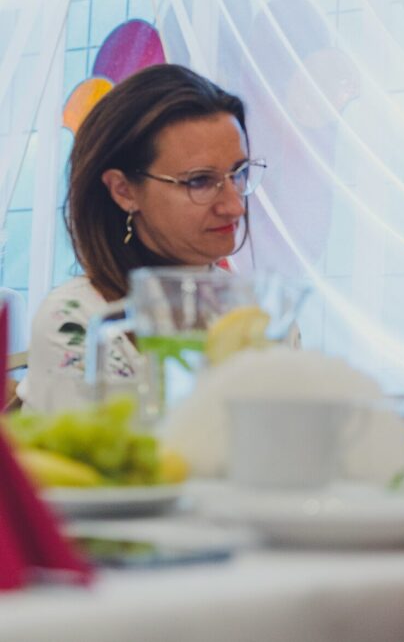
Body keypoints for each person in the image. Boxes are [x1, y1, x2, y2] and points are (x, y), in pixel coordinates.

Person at [19, 64, 264, 413]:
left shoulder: (259, 312)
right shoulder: (79, 321)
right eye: (199, 181)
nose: (234, 206)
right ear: (123, 190)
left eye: (239, 173)